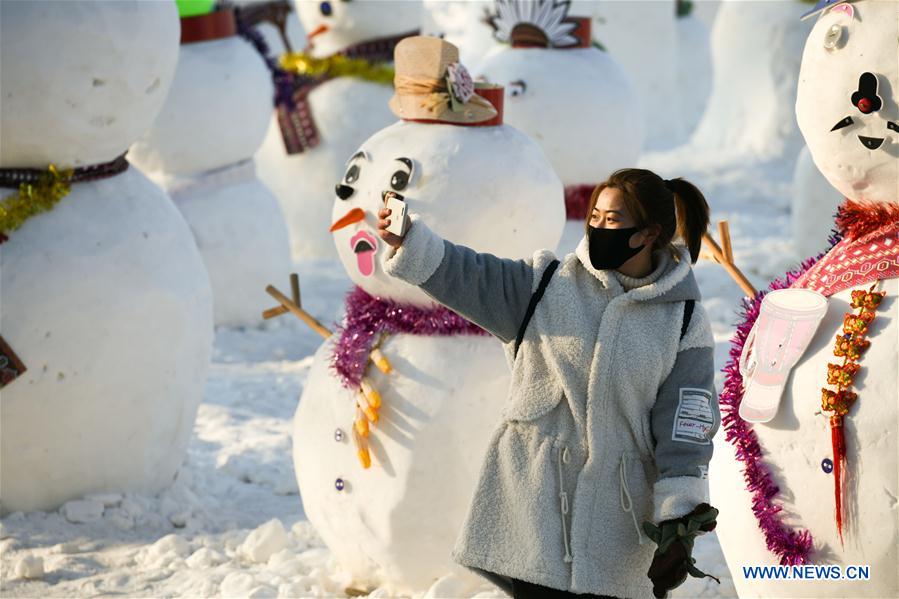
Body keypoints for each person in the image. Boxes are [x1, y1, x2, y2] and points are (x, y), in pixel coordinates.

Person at [376, 168, 721, 599]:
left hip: (619, 520)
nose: (596, 228)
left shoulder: (682, 319)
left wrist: (678, 519)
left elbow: (685, 423)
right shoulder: (545, 285)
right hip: (533, 505)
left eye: (611, 221)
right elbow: (471, 275)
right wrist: (410, 239)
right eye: (593, 217)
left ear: (648, 233)